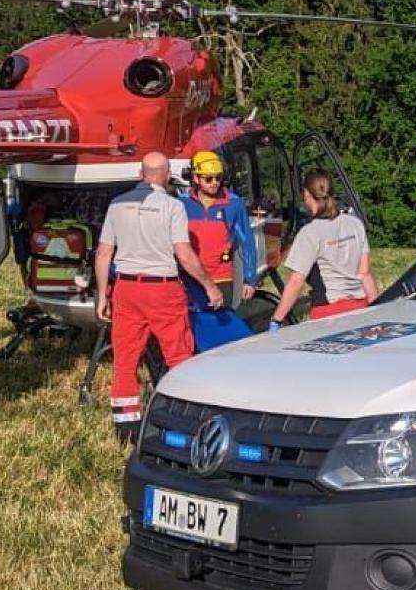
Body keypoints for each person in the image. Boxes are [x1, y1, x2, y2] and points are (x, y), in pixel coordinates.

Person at [94, 152, 225, 444]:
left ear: (142, 173)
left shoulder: (117, 205)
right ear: (166, 175)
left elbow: (104, 254)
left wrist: (103, 295)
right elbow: (184, 254)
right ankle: (184, 423)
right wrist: (209, 285)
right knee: (178, 356)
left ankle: (126, 430)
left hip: (126, 289)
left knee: (125, 361)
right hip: (162, 288)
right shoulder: (172, 206)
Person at [268, 170, 377, 328]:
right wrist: (376, 308)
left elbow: (295, 283)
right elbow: (365, 273)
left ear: (306, 194)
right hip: (360, 306)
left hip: (327, 313)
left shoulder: (309, 233)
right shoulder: (355, 224)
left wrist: (276, 319)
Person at [179, 150, 257, 351]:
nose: (214, 183)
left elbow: (246, 241)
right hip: (190, 276)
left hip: (222, 276)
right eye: (208, 179)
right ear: (195, 178)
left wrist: (250, 278)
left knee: (221, 323)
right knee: (193, 324)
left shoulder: (233, 203)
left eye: (218, 178)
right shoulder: (181, 205)